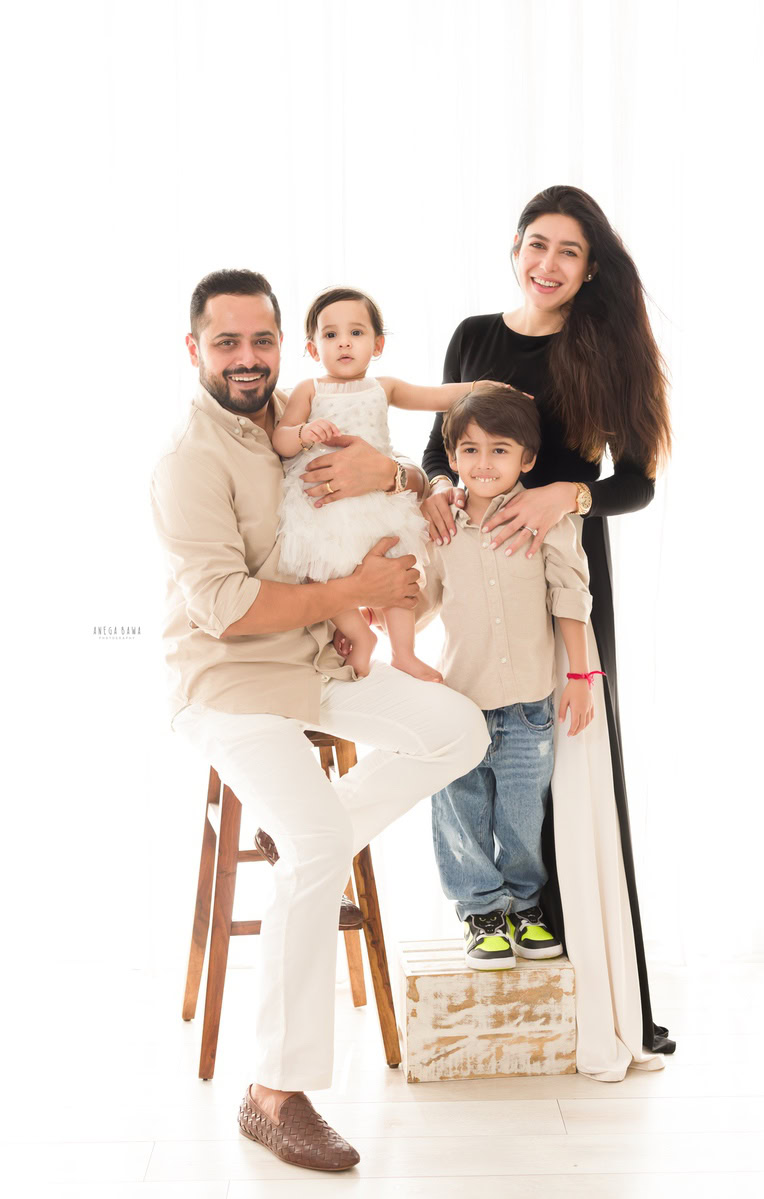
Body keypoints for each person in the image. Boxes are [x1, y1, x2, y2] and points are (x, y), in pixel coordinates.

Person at [150, 269, 489, 1172]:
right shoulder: (192, 459)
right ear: (196, 351)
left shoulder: (294, 423)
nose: (248, 358)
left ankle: (318, 842)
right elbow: (222, 606)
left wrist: (410, 476)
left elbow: (375, 484)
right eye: (227, 343)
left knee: (460, 730)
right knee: (314, 842)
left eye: (261, 340)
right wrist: (351, 595)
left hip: (315, 660)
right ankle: (273, 1093)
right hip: (230, 683)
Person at [422, 185, 674, 1081]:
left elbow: (636, 482)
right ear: (515, 248)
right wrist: (453, 498)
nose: (549, 263)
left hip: (567, 571)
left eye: (569, 250)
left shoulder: (609, 347)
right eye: (537, 243)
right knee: (484, 758)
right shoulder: (472, 337)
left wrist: (560, 493)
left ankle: (602, 979)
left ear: (591, 265)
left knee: (572, 765)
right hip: (476, 562)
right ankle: (498, 916)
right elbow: (433, 453)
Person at [418, 385, 597, 970]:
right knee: (460, 811)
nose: (483, 463)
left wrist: (579, 675)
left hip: (529, 703)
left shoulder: (547, 520)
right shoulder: (440, 527)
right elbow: (424, 596)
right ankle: (480, 912)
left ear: (527, 460)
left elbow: (570, 597)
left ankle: (524, 905)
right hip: (460, 699)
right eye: (469, 450)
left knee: (524, 815)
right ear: (451, 457)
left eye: (500, 450)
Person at [272, 286, 500, 681]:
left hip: (377, 496)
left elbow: (438, 397)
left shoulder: (385, 386)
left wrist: (488, 390)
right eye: (330, 335)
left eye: (356, 333)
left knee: (399, 571)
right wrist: (305, 432)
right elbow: (281, 438)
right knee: (324, 573)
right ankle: (360, 636)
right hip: (324, 503)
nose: (344, 342)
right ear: (312, 349)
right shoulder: (310, 389)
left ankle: (404, 652)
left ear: (376, 344)